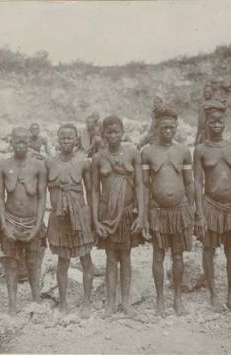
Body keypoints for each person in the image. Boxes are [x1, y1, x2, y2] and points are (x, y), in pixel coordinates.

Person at [194, 101, 231, 314]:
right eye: (212, 121)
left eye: (220, 121)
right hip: (210, 206)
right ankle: (213, 295)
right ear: (206, 123)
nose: (217, 125)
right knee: (208, 249)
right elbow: (197, 183)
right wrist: (199, 214)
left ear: (225, 122)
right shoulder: (200, 150)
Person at [142, 108, 195, 317]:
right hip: (158, 211)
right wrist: (145, 216)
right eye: (164, 127)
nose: (168, 131)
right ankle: (160, 300)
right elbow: (145, 186)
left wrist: (192, 209)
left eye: (172, 127)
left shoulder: (183, 151)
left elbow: (190, 183)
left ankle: (177, 299)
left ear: (176, 128)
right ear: (156, 127)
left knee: (178, 256)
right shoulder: (147, 152)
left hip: (180, 210)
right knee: (158, 256)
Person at [91, 115, 145, 317]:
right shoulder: (98, 158)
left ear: (123, 132)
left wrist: (142, 215)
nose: (113, 136)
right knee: (111, 258)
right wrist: (95, 220)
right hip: (108, 214)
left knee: (127, 257)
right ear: (103, 133)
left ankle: (126, 302)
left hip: (128, 212)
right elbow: (95, 191)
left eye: (117, 132)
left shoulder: (133, 153)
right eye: (109, 132)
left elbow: (140, 185)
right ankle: (110, 303)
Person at [0, 127, 47, 316]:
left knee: (33, 262)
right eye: (18, 141)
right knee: (11, 264)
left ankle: (36, 300)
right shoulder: (2, 165)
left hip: (32, 221)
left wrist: (38, 225)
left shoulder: (38, 166)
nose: (21, 145)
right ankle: (12, 305)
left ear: (29, 143)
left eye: (25, 141)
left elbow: (42, 198)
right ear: (11, 142)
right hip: (10, 220)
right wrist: (3, 225)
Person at [46, 124, 94, 317]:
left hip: (80, 215)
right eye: (62, 138)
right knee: (62, 260)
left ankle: (87, 302)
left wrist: (91, 217)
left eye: (70, 138)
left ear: (76, 140)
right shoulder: (49, 162)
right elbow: (44, 190)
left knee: (86, 258)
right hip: (59, 216)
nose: (66, 142)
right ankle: (63, 302)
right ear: (58, 139)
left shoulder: (83, 161)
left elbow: (90, 191)